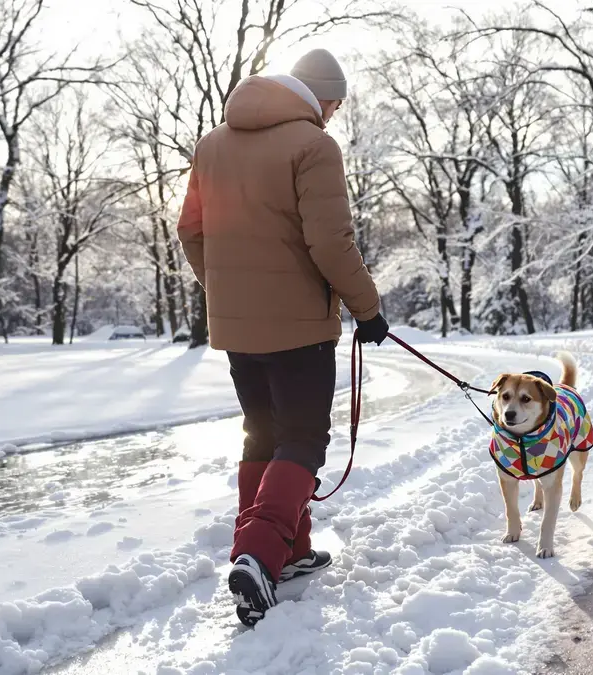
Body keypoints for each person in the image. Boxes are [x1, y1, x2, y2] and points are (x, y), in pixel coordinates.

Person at [176, 48, 389, 627]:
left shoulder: (213, 143)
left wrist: (226, 289)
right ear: (322, 98)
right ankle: (260, 555)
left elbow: (190, 230)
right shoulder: (313, 145)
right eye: (336, 105)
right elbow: (330, 242)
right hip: (298, 327)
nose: (334, 116)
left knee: (263, 437)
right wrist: (366, 308)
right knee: (302, 440)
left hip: (238, 326)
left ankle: (290, 552)